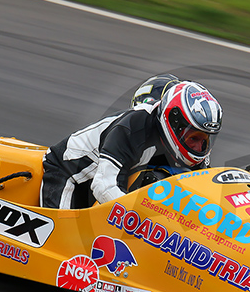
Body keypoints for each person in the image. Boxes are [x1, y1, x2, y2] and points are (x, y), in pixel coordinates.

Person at [40, 75, 223, 209]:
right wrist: (140, 219)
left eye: (205, 140)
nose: (199, 148)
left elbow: (202, 195)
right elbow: (104, 185)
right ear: (175, 123)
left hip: (109, 182)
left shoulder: (196, 152)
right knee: (71, 249)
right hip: (70, 175)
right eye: (193, 139)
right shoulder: (134, 125)